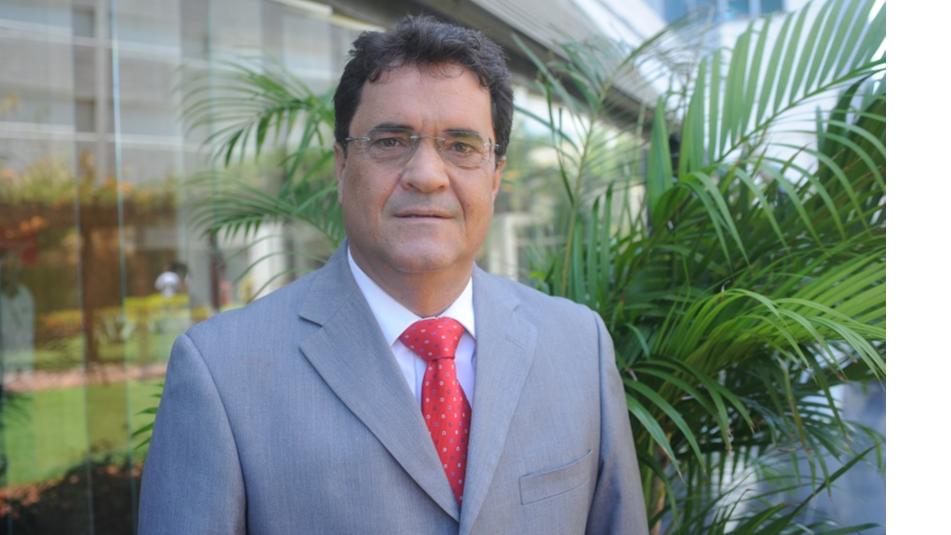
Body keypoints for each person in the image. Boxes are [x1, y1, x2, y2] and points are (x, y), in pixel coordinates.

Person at [138, 15, 648, 535]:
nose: (426, 175)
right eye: (390, 141)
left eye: (461, 146)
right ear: (341, 166)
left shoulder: (579, 346)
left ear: (495, 176)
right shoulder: (221, 372)